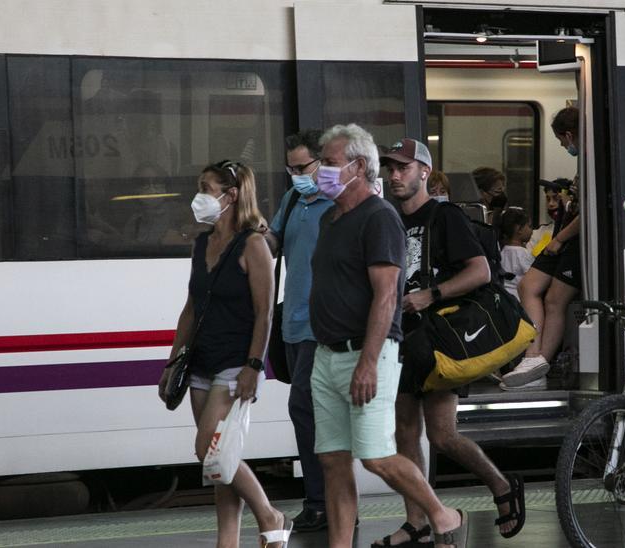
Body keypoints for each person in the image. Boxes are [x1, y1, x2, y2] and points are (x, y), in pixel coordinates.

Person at [309, 124, 464, 548]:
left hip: (365, 354)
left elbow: (386, 298)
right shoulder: (329, 219)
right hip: (327, 355)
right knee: (333, 460)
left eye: (329, 162)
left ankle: (442, 515)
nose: (319, 169)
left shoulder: (379, 218)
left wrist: (368, 362)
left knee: (375, 456)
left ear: (358, 167)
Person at [376, 138, 523, 546]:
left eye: (403, 168)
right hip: (405, 337)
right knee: (405, 431)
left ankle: (501, 484)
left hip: (442, 338)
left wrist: (432, 294)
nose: (395, 175)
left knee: (441, 435)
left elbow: (478, 272)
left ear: (425, 172)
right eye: (390, 168)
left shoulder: (445, 217)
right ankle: (417, 520)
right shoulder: (389, 219)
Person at [167, 160, 289, 548]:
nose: (199, 195)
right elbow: (192, 305)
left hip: (235, 361)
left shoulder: (253, 244)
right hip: (200, 362)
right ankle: (228, 541)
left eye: (207, 187)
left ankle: (269, 515)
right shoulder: (202, 242)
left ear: (231, 195)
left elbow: (264, 311)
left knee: (211, 451)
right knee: (219, 461)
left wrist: (255, 365)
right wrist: (173, 360)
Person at [261, 129, 334, 532]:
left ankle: (322, 501)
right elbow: (273, 243)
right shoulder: (293, 200)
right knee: (306, 412)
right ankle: (322, 500)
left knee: (305, 409)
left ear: (322, 162)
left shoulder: (338, 204)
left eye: (302, 167)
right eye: (290, 168)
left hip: (321, 325)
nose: (295, 175)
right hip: (292, 322)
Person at [504, 176, 580, 391]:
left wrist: (560, 239)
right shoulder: (552, 223)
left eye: (555, 198)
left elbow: (587, 215)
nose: (551, 203)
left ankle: (539, 364)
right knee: (527, 286)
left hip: (569, 241)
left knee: (554, 300)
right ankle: (532, 356)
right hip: (561, 238)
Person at [498, 209, 534, 300]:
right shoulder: (523, 254)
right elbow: (533, 278)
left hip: (504, 297)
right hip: (519, 298)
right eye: (529, 226)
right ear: (519, 229)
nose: (532, 230)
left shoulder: (502, 251)